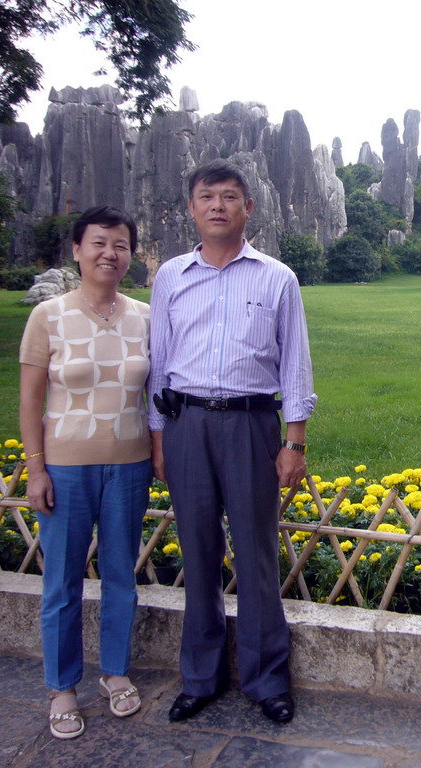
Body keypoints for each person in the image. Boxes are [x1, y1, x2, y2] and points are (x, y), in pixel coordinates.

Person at [148, 159, 316, 725]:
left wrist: (295, 440)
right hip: (187, 424)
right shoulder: (171, 276)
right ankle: (200, 676)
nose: (217, 205)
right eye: (206, 197)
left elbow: (295, 361)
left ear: (249, 208)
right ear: (191, 209)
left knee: (256, 554)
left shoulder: (276, 277)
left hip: (251, 426)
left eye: (229, 197)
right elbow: (158, 364)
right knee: (196, 554)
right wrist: (159, 438)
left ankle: (267, 680)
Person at [19, 206, 151, 740]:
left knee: (122, 576)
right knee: (62, 583)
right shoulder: (48, 316)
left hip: (130, 466)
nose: (109, 254)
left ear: (130, 254)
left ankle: (115, 671)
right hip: (66, 468)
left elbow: (156, 395)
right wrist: (35, 470)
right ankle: (62, 686)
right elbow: (30, 401)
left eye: (120, 245)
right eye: (98, 243)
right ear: (77, 250)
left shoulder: (146, 316)